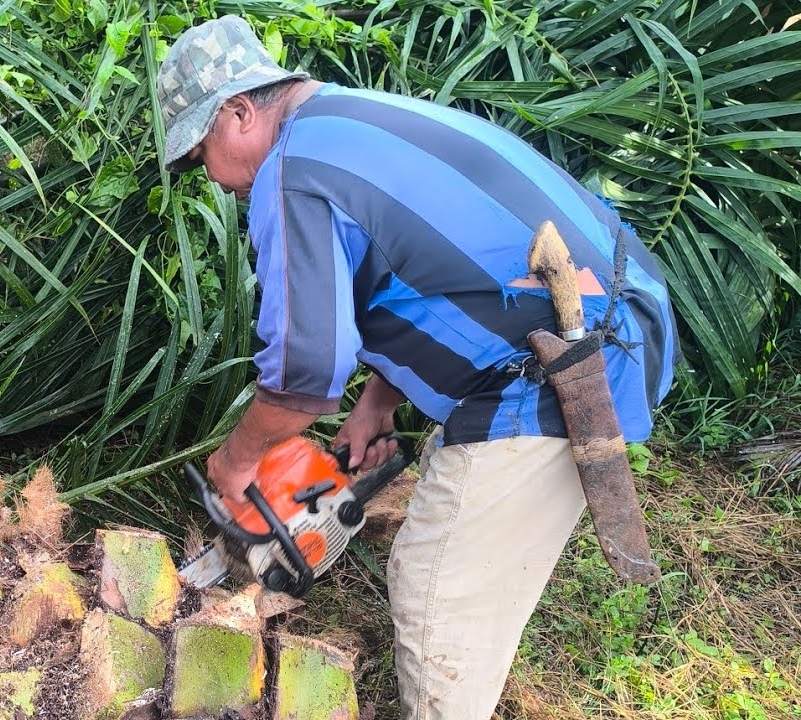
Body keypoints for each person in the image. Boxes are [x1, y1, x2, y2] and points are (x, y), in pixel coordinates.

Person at [154, 14, 679, 720]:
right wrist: (377, 404)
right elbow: (435, 278)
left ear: (238, 112)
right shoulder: (353, 120)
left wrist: (238, 461)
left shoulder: (291, 171)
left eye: (199, 157)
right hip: (618, 315)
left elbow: (305, 372)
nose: (212, 181)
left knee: (438, 589)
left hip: (569, 360)